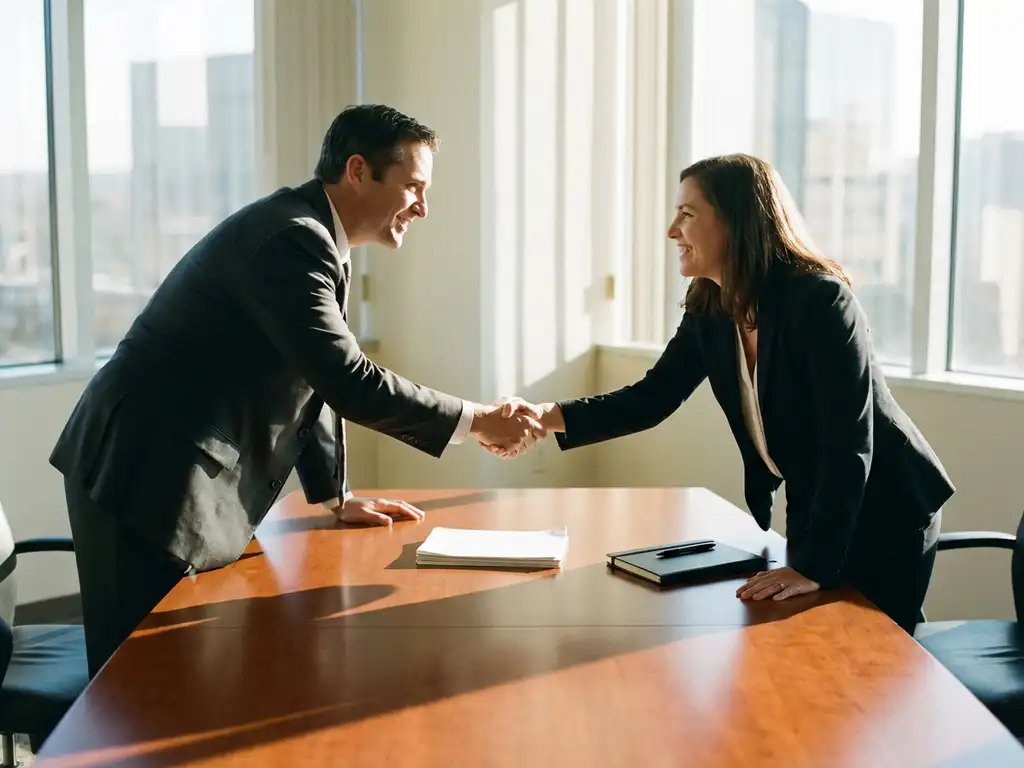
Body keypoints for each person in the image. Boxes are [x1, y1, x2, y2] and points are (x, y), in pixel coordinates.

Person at [49, 104, 543, 677]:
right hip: (140, 473)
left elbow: (309, 378)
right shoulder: (292, 239)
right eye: (413, 186)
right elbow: (347, 378)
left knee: (182, 679)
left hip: (167, 467)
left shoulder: (313, 235)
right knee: (132, 687)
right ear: (358, 171)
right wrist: (479, 420)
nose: (422, 208)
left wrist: (334, 495)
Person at [494, 153, 954, 634]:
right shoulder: (711, 308)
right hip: (817, 505)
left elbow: (847, 444)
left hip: (885, 508)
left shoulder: (819, 301)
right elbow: (652, 397)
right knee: (809, 652)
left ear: (736, 221)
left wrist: (814, 566)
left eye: (687, 214)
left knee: (878, 658)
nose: (673, 230)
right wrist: (545, 416)